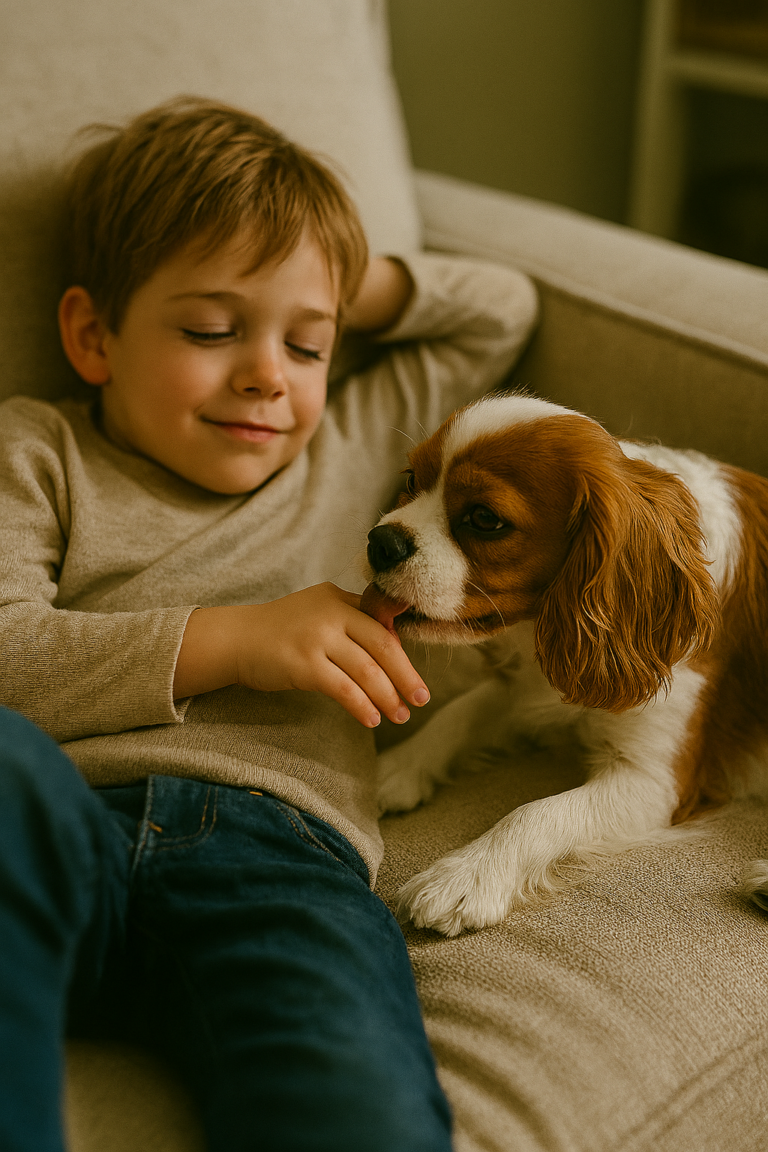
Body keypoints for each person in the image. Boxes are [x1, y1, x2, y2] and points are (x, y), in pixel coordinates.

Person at [0, 97, 538, 1152]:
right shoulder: (37, 451)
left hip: (282, 859)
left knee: (355, 1114)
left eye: (307, 341)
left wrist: (324, 268)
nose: (267, 374)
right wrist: (240, 638)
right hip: (59, 814)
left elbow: (499, 310)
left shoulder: (356, 444)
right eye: (211, 328)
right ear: (92, 335)